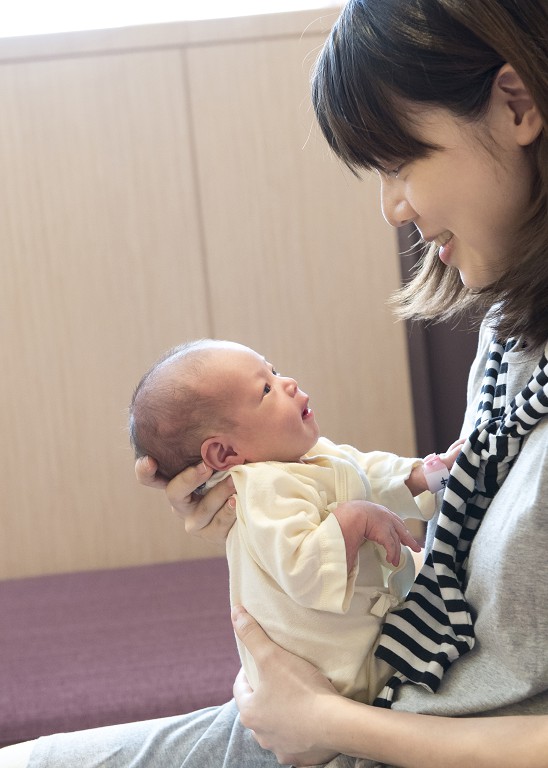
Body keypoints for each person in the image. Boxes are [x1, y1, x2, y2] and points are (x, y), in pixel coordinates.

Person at [3, 0, 547, 766]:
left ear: (517, 105)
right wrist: (262, 515)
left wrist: (324, 723)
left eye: (400, 163)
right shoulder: (510, 335)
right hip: (367, 711)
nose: (392, 208)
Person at [128, 337, 461, 704]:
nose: (288, 383)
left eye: (274, 371)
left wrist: (428, 474)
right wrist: (352, 519)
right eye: (265, 389)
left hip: (366, 640)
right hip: (332, 675)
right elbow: (304, 569)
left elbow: (366, 472)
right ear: (225, 452)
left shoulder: (307, 455)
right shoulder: (261, 489)